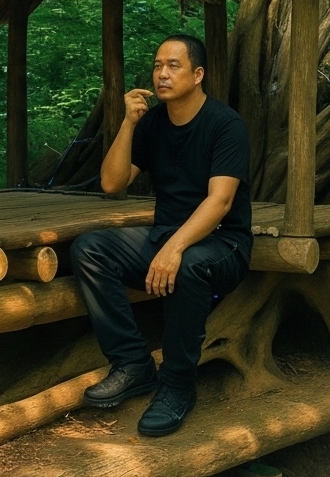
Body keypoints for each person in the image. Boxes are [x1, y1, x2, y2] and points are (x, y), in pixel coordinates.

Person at [70, 34, 251, 437]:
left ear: (197, 74)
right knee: (89, 249)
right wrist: (129, 123)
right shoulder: (152, 124)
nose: (162, 74)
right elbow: (112, 183)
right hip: (167, 237)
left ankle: (177, 386)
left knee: (187, 266)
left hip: (224, 244)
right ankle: (133, 363)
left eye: (173, 65)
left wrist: (174, 248)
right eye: (157, 66)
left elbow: (220, 202)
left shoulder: (226, 125)